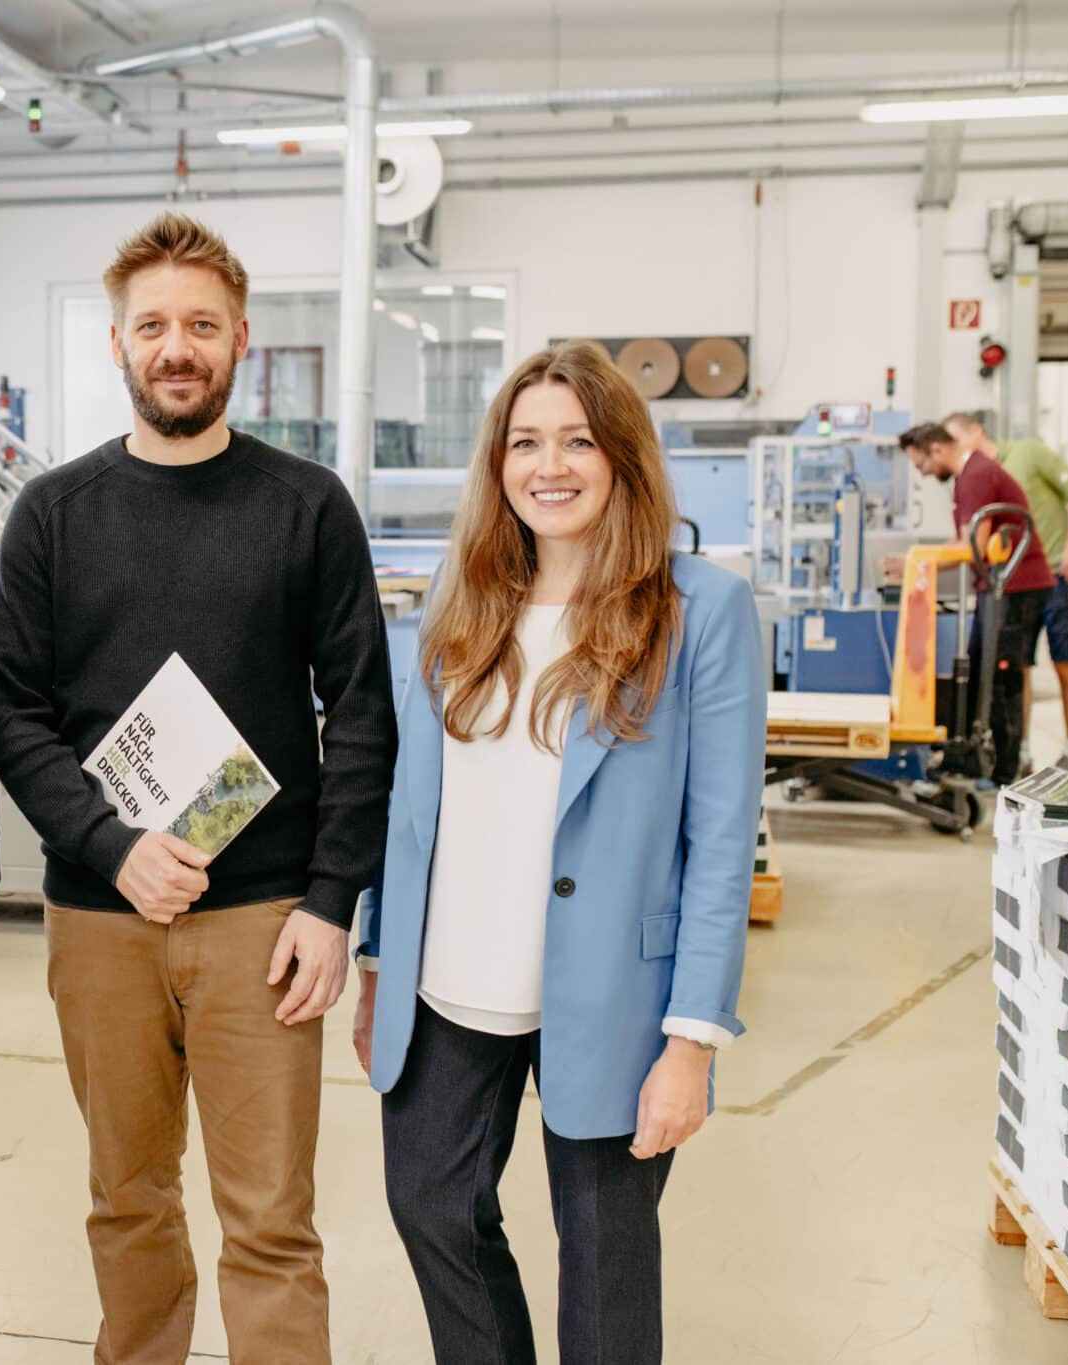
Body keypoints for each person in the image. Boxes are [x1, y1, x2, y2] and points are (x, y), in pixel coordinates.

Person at [0, 212, 397, 1365]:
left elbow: (361, 714)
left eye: (199, 325)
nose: (176, 346)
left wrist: (329, 904)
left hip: (262, 923)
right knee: (126, 1199)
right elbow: (5, 708)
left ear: (240, 341)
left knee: (268, 1219)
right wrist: (109, 845)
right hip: (102, 918)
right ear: (117, 343)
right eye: (152, 324)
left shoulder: (305, 508)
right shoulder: (53, 515)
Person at [353, 340, 765, 1365]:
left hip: (612, 994)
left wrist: (690, 1040)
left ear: (620, 455)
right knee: (430, 1208)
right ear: (496, 464)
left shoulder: (695, 608)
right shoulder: (460, 596)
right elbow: (408, 804)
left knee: (602, 1255)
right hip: (450, 979)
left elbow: (719, 835)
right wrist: (375, 963)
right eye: (524, 442)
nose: (550, 466)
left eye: (577, 441)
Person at [897, 422, 1055, 788]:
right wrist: (915, 560)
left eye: (920, 465)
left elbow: (972, 549)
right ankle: (977, 758)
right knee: (982, 671)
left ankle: (1004, 772)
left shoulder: (977, 475)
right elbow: (961, 540)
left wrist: (917, 560)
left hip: (1015, 587)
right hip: (997, 586)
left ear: (936, 449)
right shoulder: (970, 476)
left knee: (1001, 678)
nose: (922, 473)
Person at [943, 410, 1068, 775]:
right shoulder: (973, 475)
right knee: (1017, 667)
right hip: (1014, 582)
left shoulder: (1028, 453)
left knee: (1065, 662)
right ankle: (1020, 751)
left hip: (1058, 571)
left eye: (955, 440)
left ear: (975, 431)